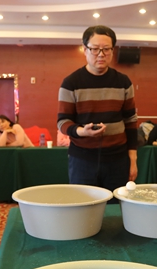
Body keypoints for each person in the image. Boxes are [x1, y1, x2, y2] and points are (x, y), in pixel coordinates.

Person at [58, 25, 138, 192]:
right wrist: (82, 131)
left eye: (106, 49)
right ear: (84, 49)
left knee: (116, 204)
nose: (101, 54)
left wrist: (133, 159)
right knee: (84, 204)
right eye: (95, 49)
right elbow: (63, 122)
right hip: (82, 160)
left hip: (118, 160)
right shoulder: (71, 83)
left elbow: (130, 121)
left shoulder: (123, 82)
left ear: (112, 50)